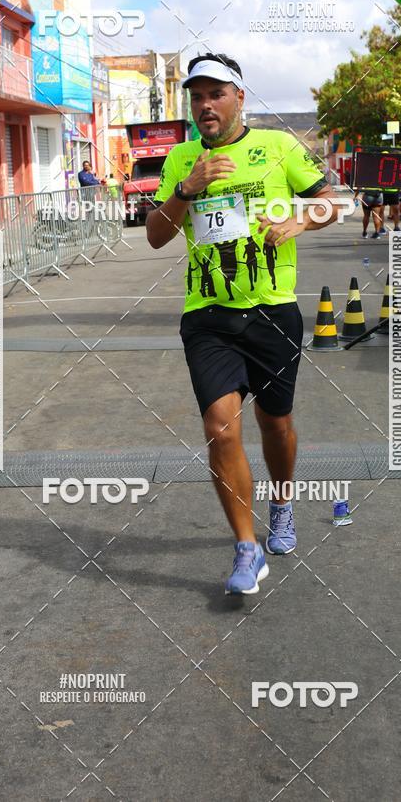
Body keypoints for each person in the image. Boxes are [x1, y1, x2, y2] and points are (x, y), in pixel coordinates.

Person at [146, 52, 341, 595]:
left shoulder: (278, 147)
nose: (205, 106)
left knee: (275, 425)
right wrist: (188, 187)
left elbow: (332, 202)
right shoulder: (181, 157)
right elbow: (157, 235)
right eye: (197, 96)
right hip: (206, 318)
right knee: (219, 428)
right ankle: (246, 548)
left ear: (238, 98)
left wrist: (298, 221)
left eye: (216, 94)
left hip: (271, 312)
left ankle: (281, 503)